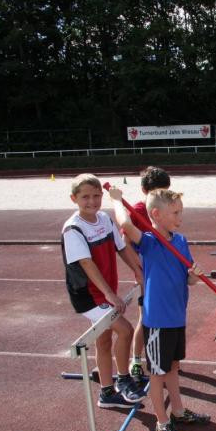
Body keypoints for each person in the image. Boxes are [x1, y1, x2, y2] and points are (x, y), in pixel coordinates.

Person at [109, 186, 211, 431]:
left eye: (181, 212)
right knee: (157, 374)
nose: (180, 217)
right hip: (158, 322)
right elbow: (125, 224)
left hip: (177, 317)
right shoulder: (149, 241)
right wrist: (117, 200)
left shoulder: (180, 241)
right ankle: (162, 423)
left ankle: (178, 411)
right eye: (175, 213)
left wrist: (195, 276)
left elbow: (188, 280)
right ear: (156, 214)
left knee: (173, 367)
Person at [60, 173, 147, 409]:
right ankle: (124, 380)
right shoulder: (73, 229)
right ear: (74, 199)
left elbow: (122, 248)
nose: (92, 201)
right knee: (125, 330)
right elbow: (86, 264)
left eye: (96, 196)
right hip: (88, 294)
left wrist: (137, 271)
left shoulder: (105, 219)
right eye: (85, 197)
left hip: (105, 288)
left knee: (104, 339)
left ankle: (107, 392)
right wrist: (109, 294)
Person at [127, 166, 171, 383]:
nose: (162, 196)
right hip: (148, 275)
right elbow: (125, 242)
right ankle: (136, 360)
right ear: (145, 191)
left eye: (165, 192)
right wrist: (137, 269)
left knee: (167, 317)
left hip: (165, 273)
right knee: (145, 318)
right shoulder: (136, 210)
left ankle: (167, 358)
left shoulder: (167, 208)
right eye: (157, 192)